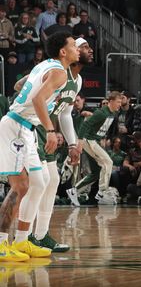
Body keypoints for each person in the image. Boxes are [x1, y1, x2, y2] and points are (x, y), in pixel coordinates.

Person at [0, 31, 79, 261]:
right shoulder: (58, 72)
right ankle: (2, 243)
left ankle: (23, 241)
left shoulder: (45, 65)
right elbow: (36, 99)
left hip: (27, 128)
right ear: (63, 51)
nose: (77, 49)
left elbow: (18, 86)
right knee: (20, 186)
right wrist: (51, 130)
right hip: (15, 126)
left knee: (40, 181)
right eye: (74, 45)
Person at [29, 36, 92, 252]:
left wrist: (73, 144)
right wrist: (48, 130)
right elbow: (25, 88)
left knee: (52, 179)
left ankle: (40, 235)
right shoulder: (55, 70)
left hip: (44, 128)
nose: (88, 50)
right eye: (82, 47)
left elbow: (65, 114)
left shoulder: (78, 80)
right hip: (31, 125)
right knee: (38, 181)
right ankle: (26, 235)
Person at [75, 92, 123, 205]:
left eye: (121, 102)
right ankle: (102, 192)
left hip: (95, 141)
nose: (120, 104)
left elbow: (101, 126)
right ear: (111, 101)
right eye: (118, 102)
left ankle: (74, 190)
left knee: (96, 172)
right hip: (89, 141)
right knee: (108, 162)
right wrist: (80, 141)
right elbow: (85, 125)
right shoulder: (101, 113)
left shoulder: (112, 114)